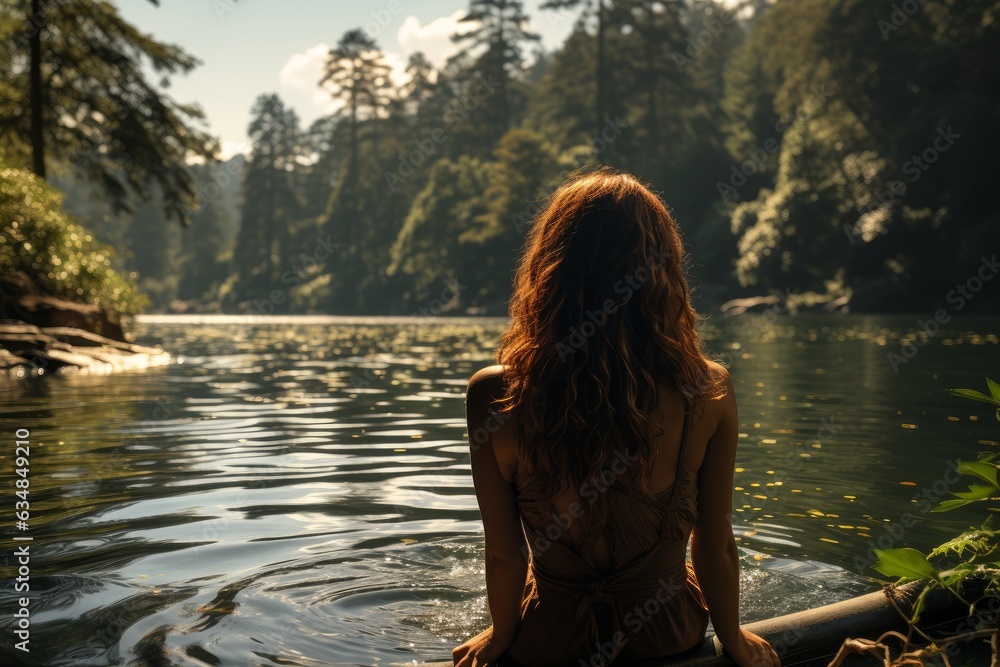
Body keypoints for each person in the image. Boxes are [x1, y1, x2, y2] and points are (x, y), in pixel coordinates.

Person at [452, 170, 780, 667]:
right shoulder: (707, 389)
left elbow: (504, 555)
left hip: (550, 642)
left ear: (551, 268)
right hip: (666, 634)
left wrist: (500, 635)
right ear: (663, 271)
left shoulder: (494, 393)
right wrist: (733, 637)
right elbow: (714, 545)